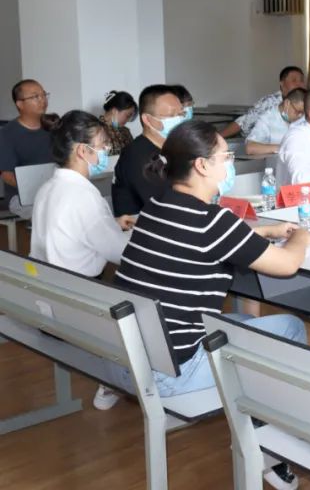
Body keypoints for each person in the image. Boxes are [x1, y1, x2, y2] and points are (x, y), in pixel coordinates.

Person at [111, 120, 310, 490]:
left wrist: (259, 232)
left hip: (127, 355)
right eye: (226, 156)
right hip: (169, 372)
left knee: (237, 323)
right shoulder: (212, 221)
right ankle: (266, 448)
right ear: (202, 165)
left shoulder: (157, 205)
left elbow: (214, 236)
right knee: (291, 328)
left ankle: (260, 432)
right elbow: (287, 265)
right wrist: (301, 235)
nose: (229, 165)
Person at [30, 110, 129, 411]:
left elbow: (77, 231)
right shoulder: (84, 197)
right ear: (82, 151)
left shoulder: (49, 188)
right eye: (101, 145)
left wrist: (111, 223)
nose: (106, 151)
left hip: (45, 295)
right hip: (76, 303)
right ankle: (116, 382)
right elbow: (121, 254)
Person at [111, 85, 185, 221]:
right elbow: (167, 206)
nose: (179, 120)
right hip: (145, 232)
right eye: (171, 115)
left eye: (181, 114)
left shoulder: (171, 148)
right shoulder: (136, 155)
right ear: (147, 119)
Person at [0, 79, 53, 211]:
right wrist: (37, 190)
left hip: (54, 190)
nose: (43, 100)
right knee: (50, 210)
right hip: (20, 196)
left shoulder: (53, 127)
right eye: (36, 96)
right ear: (20, 104)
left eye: (44, 95)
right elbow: (6, 175)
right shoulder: (7, 133)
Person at [221, 66, 306, 139]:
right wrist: (219, 137)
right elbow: (242, 122)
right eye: (294, 80)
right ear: (282, 84)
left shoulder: (308, 102)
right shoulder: (269, 102)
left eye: (301, 80)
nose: (299, 84)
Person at [245, 88, 307, 156]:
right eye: (298, 112)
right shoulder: (267, 119)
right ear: (287, 103)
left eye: (303, 113)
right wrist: (284, 148)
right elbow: (250, 148)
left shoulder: (303, 119)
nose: (300, 116)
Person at [100, 90, 137, 156]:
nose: (127, 120)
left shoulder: (126, 131)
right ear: (114, 111)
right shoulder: (95, 130)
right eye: (127, 116)